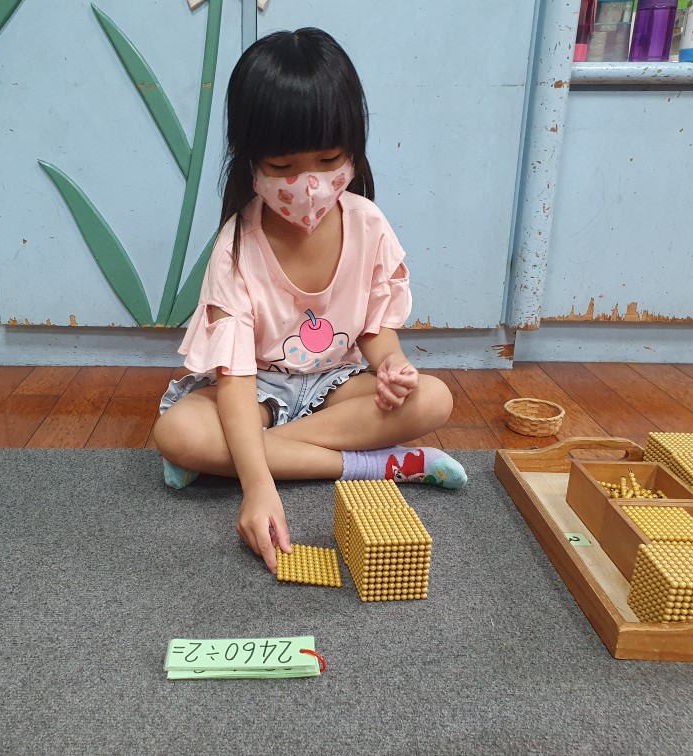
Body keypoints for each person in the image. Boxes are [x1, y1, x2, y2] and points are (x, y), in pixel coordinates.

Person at [152, 27, 464, 575]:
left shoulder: (368, 225)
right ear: (250, 159)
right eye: (283, 168)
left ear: (354, 149)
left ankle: (237, 456)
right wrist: (258, 489)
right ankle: (378, 465)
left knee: (433, 399)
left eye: (329, 159)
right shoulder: (236, 247)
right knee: (177, 432)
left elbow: (374, 328)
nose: (310, 185)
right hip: (256, 391)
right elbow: (235, 377)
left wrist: (391, 365)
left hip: (334, 386)